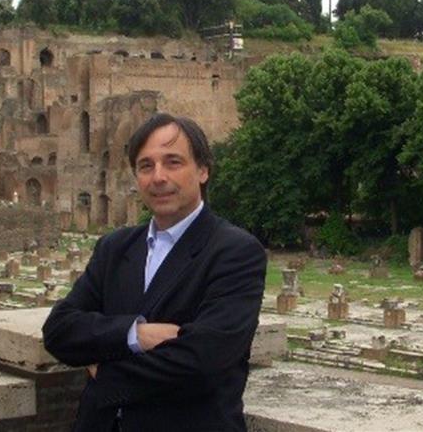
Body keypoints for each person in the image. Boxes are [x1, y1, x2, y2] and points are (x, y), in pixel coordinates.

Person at [42, 113, 266, 432]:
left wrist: (104, 370)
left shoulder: (235, 251)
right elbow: (59, 330)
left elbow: (203, 361)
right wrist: (136, 335)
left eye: (173, 162)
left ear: (203, 170)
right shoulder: (115, 247)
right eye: (146, 166)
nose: (158, 177)